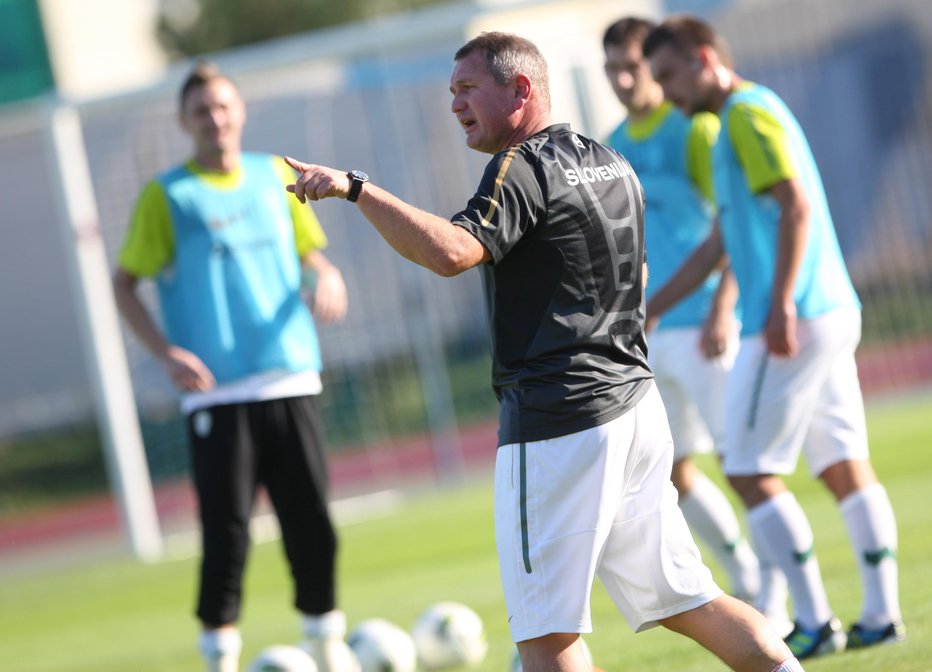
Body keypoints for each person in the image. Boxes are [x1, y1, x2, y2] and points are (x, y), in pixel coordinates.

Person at [284, 31, 803, 672]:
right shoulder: (612, 160)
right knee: (690, 600)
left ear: (521, 89)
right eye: (452, 93)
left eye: (468, 89)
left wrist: (356, 189)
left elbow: (452, 251)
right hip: (636, 410)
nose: (455, 106)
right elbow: (635, 276)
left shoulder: (520, 166)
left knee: (544, 635)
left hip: (560, 424)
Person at [641, 15, 905, 660]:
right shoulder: (735, 119)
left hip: (790, 319)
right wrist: (650, 307)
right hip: (830, 309)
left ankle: (814, 620)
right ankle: (881, 614)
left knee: (749, 471)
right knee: (842, 464)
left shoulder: (745, 115)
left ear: (705, 58)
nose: (668, 92)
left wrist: (781, 300)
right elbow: (721, 241)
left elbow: (795, 204)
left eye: (671, 75)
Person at [112, 63, 355, 672]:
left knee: (313, 527)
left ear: (239, 111)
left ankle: (325, 650)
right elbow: (124, 285)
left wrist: (329, 279)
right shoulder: (167, 195)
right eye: (201, 111)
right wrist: (165, 352)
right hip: (216, 396)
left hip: (291, 374)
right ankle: (219, 660)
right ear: (184, 121)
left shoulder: (276, 176)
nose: (214, 119)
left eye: (222, 107)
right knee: (227, 537)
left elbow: (313, 258)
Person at [602, 16, 770, 613]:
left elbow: (731, 226)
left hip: (704, 325)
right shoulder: (611, 145)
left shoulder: (693, 130)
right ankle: (748, 579)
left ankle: (781, 599)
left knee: (743, 463)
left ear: (656, 63)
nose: (624, 80)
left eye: (633, 66)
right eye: (612, 70)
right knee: (673, 471)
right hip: (650, 331)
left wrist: (725, 305)